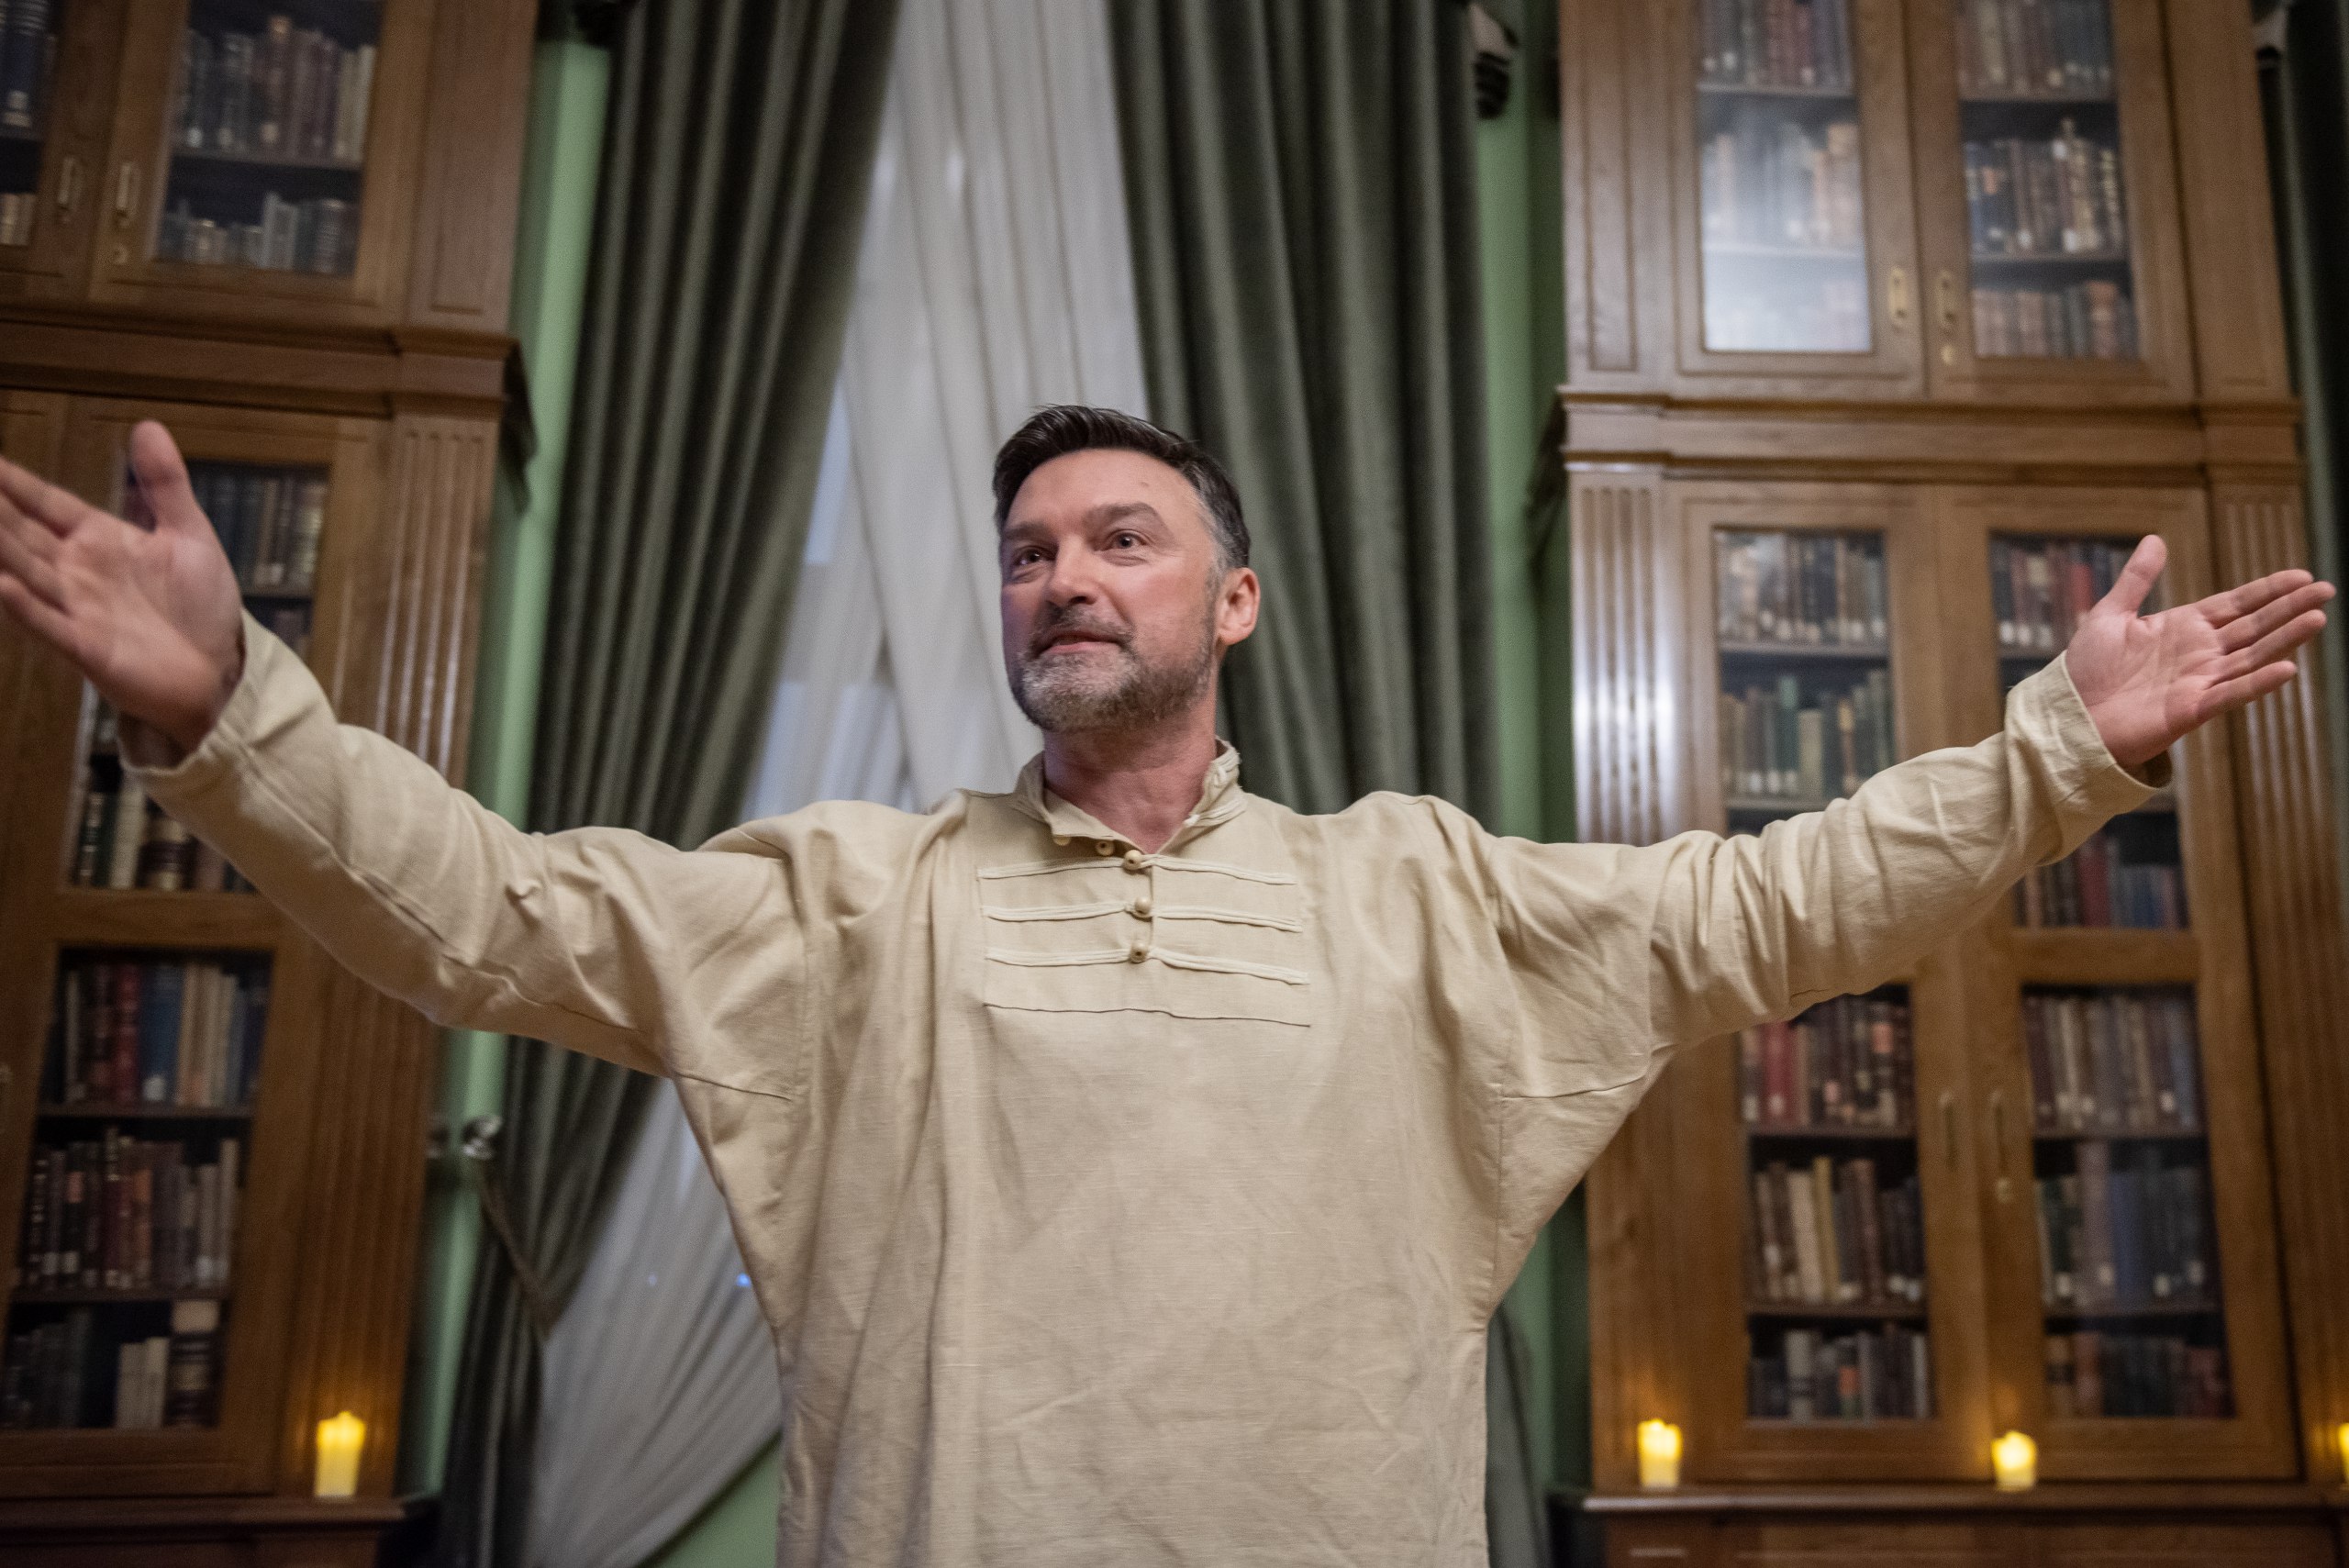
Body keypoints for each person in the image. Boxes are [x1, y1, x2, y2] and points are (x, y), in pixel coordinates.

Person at [0, 406, 2331, 1566]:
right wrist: (231, 717)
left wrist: (2057, 751)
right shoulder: (849, 898)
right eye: (1026, 551)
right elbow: (491, 912)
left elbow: (1768, 909)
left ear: (1230, 606)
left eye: (1119, 539)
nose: (1060, 577)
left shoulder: (1414, 888)